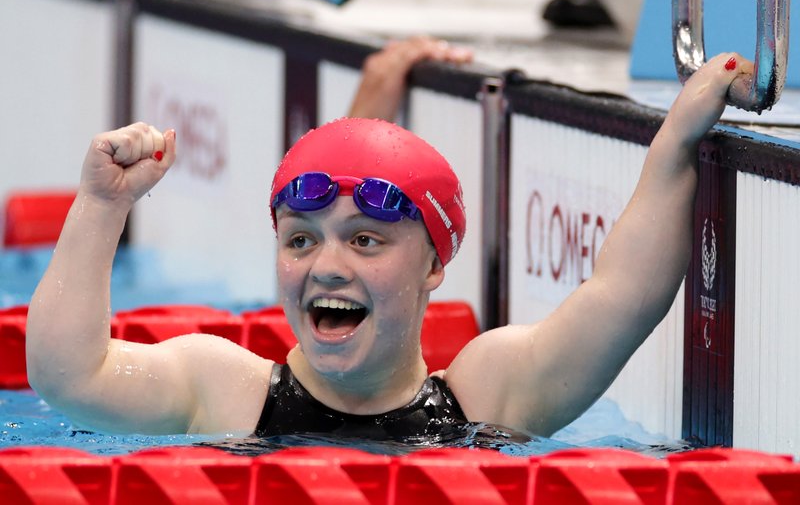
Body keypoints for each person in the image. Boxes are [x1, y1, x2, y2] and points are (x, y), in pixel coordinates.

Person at [26, 51, 752, 439]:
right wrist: (101, 204)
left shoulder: (490, 395)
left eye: (366, 239)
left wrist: (674, 142)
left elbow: (621, 297)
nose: (327, 266)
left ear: (435, 263)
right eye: (301, 239)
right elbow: (71, 376)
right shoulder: (223, 390)